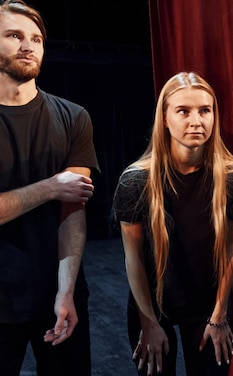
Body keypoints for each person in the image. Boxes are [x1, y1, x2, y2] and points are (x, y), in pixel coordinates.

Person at [112, 71, 233, 376]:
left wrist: (219, 315)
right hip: (153, 301)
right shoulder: (135, 181)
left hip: (208, 302)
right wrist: (148, 323)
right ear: (164, 118)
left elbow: (232, 252)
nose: (196, 120)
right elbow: (133, 258)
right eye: (183, 111)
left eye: (205, 110)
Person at [0, 1, 99, 375]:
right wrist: (51, 186)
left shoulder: (73, 117)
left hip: (57, 295)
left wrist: (66, 291)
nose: (28, 45)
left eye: (37, 39)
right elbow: (61, 189)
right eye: (14, 35)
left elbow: (72, 209)